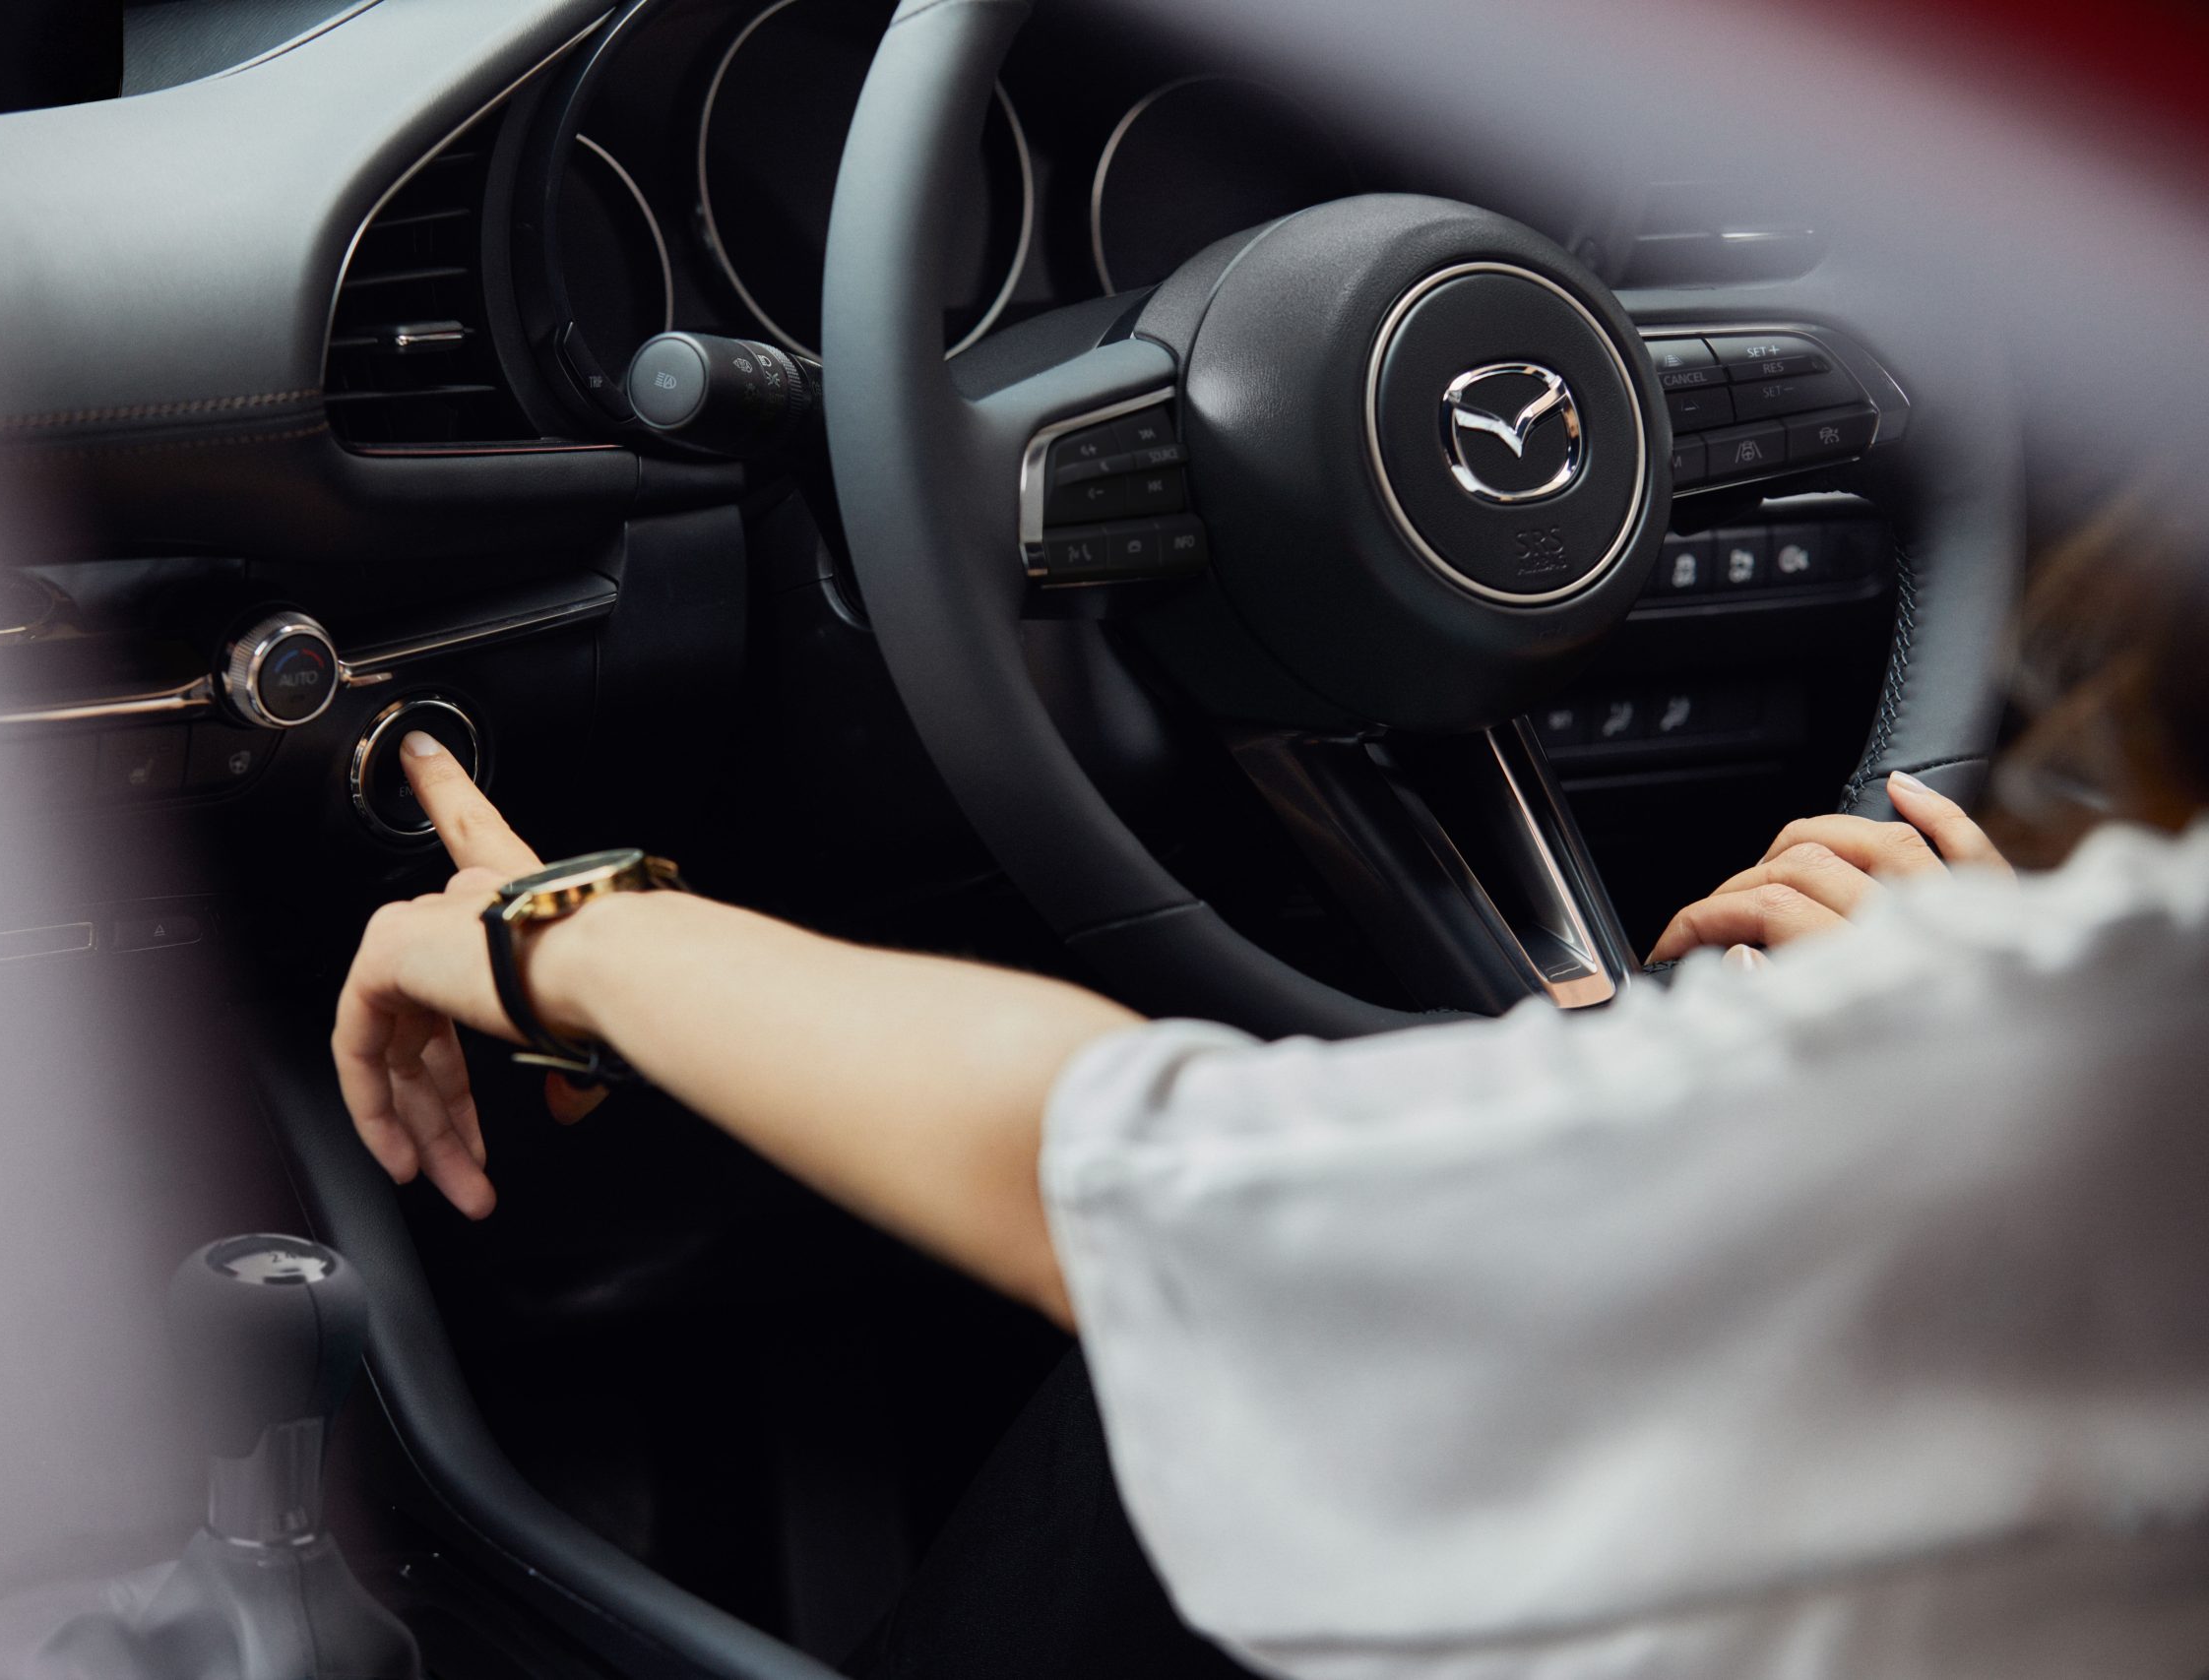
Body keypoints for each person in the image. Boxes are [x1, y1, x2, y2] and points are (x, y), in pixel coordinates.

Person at [333, 488, 2209, 1678]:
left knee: (1202, 1396)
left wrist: (559, 930)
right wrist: (1967, 1012)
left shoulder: (2084, 1096)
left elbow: (1127, 1187)